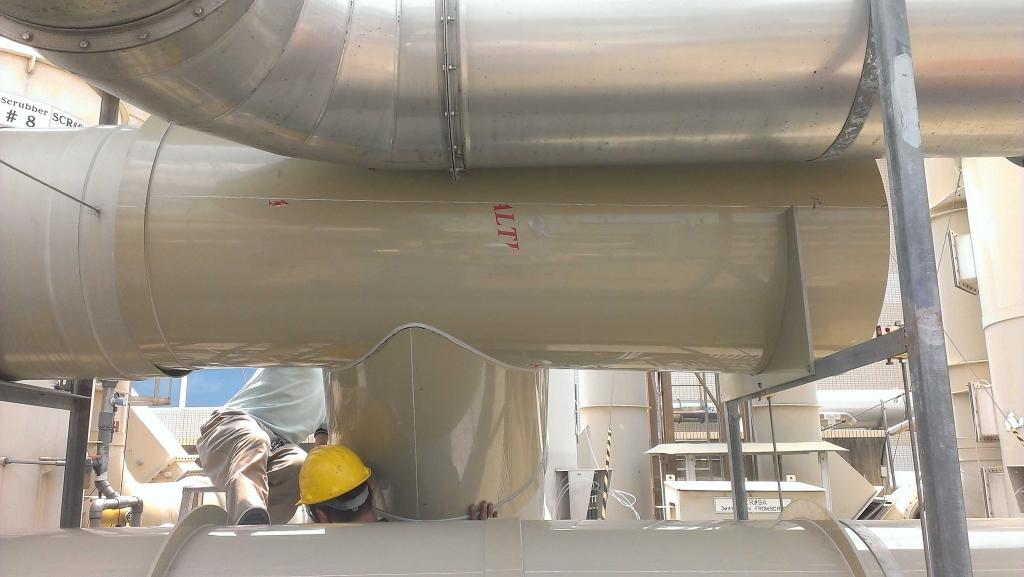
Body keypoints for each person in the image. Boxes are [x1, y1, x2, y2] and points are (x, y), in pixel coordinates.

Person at [197, 367, 329, 525]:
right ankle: (249, 515)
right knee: (256, 440)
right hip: (231, 423)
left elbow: (321, 444)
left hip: (278, 445)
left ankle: (260, 529)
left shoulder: (332, 394)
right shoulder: (300, 353)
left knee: (301, 466)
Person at [297, 445, 497, 523]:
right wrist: (475, 542)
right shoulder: (414, 534)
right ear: (370, 487)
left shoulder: (320, 565)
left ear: (321, 515)